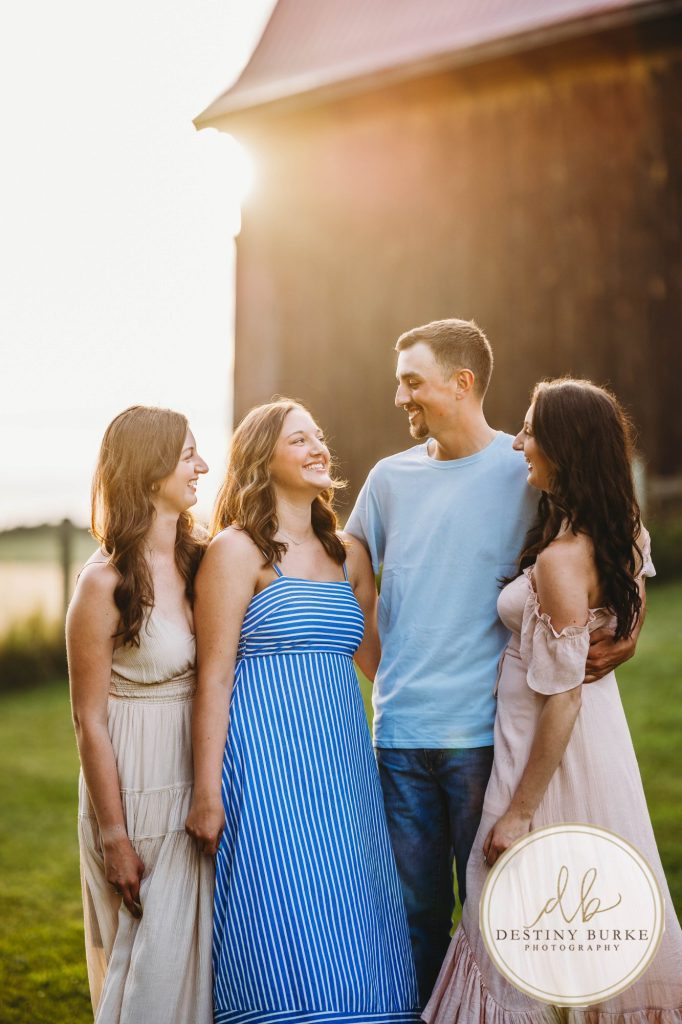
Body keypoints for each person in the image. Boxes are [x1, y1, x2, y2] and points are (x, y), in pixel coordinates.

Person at [345, 320, 642, 1006]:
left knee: (498, 917)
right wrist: (386, 672)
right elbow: (342, 573)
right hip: (399, 741)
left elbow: (619, 533)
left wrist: (632, 620)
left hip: (488, 742)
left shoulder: (525, 466)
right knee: (414, 920)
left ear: (462, 382)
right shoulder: (388, 481)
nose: (400, 397)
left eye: (411, 381)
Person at [424, 378, 682, 1022]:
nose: (518, 443)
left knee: (505, 912)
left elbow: (563, 698)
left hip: (544, 748)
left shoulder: (563, 558)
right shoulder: (613, 526)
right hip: (567, 733)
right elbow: (629, 598)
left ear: (567, 446)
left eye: (531, 430)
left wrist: (518, 813)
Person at [185, 399, 421, 1024]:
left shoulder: (346, 552)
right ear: (263, 459)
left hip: (344, 767)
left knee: (357, 907)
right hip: (265, 767)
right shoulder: (236, 552)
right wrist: (208, 792)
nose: (319, 446)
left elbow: (379, 661)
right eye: (299, 440)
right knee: (282, 908)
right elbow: (213, 676)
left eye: (319, 435)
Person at [67, 405, 213, 1024]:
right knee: (147, 964)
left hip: (197, 772)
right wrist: (114, 836)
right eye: (188, 456)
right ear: (151, 472)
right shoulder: (103, 584)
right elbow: (88, 721)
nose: (203, 466)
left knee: (195, 962)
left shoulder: (199, 561)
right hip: (136, 784)